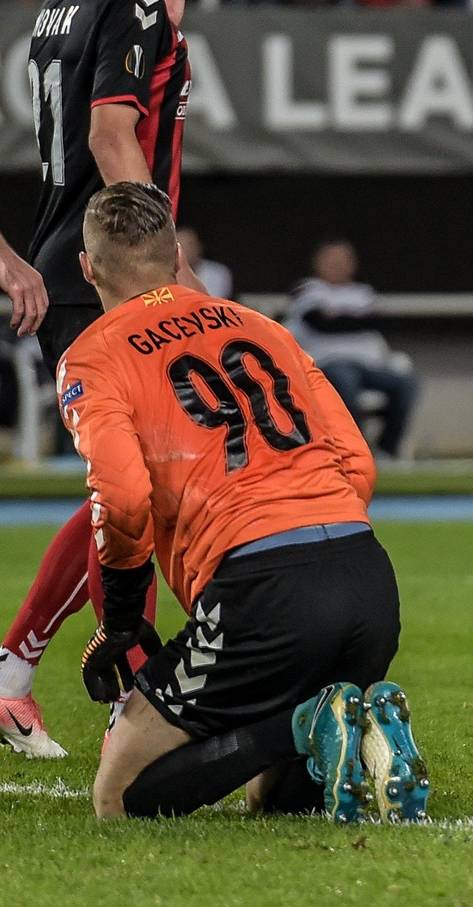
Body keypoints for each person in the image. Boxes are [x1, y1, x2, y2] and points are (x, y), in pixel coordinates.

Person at [62, 182, 427, 823]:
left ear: (88, 268)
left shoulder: (94, 355)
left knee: (118, 799)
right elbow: (357, 463)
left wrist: (120, 616)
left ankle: (304, 722)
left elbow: (121, 498)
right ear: (178, 256)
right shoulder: (261, 326)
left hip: (261, 588)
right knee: (274, 802)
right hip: (366, 576)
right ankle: (335, 721)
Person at [0, 0, 193, 759]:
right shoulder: (132, 5)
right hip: (107, 276)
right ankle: (135, 694)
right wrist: (166, 263)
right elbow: (111, 135)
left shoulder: (61, 9)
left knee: (126, 485)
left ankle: (14, 671)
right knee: (134, 486)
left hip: (76, 265)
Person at [285, 240, 419, 460]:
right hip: (325, 365)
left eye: (343, 260)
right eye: (331, 260)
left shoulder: (363, 292)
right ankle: (355, 450)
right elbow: (320, 323)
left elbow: (378, 322)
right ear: (317, 262)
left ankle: (386, 450)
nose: (337, 265)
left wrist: (339, 316)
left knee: (406, 384)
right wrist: (355, 318)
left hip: (368, 365)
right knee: (346, 380)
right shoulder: (308, 289)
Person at [175, 227, 234, 300]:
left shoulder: (219, 272)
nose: (186, 250)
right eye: (181, 246)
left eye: (189, 245)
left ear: (199, 246)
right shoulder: (168, 274)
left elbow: (213, 302)